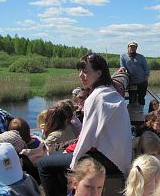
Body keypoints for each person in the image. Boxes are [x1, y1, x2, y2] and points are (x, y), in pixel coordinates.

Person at [37, 53, 132, 196]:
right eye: (80, 71)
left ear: (99, 73)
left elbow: (88, 136)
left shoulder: (96, 97)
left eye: (86, 72)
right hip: (120, 158)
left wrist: (74, 162)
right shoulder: (111, 92)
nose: (81, 75)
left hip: (107, 159)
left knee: (43, 165)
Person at [119, 41, 150, 106]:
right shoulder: (123, 57)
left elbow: (146, 69)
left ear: (136, 48)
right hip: (131, 82)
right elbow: (122, 66)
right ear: (128, 47)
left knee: (141, 98)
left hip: (142, 81)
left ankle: (141, 113)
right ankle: (132, 114)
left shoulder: (141, 57)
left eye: (134, 47)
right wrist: (122, 69)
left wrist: (146, 80)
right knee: (132, 99)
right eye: (131, 47)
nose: (132, 48)